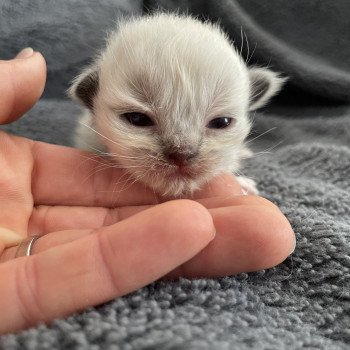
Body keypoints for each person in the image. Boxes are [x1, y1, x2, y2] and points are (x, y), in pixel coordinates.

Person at [0, 48, 295, 334]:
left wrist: (225, 168)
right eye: (139, 119)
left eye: (220, 123)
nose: (183, 151)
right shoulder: (85, 153)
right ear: (91, 99)